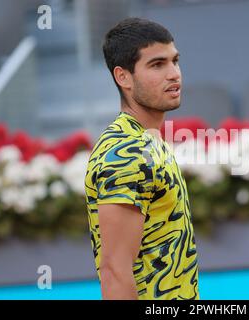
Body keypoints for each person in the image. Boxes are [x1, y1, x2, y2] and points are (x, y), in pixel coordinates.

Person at [84, 18, 199, 300]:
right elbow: (114, 271)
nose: (174, 74)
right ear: (122, 77)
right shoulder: (126, 153)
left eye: (175, 61)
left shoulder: (147, 139)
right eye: (157, 65)